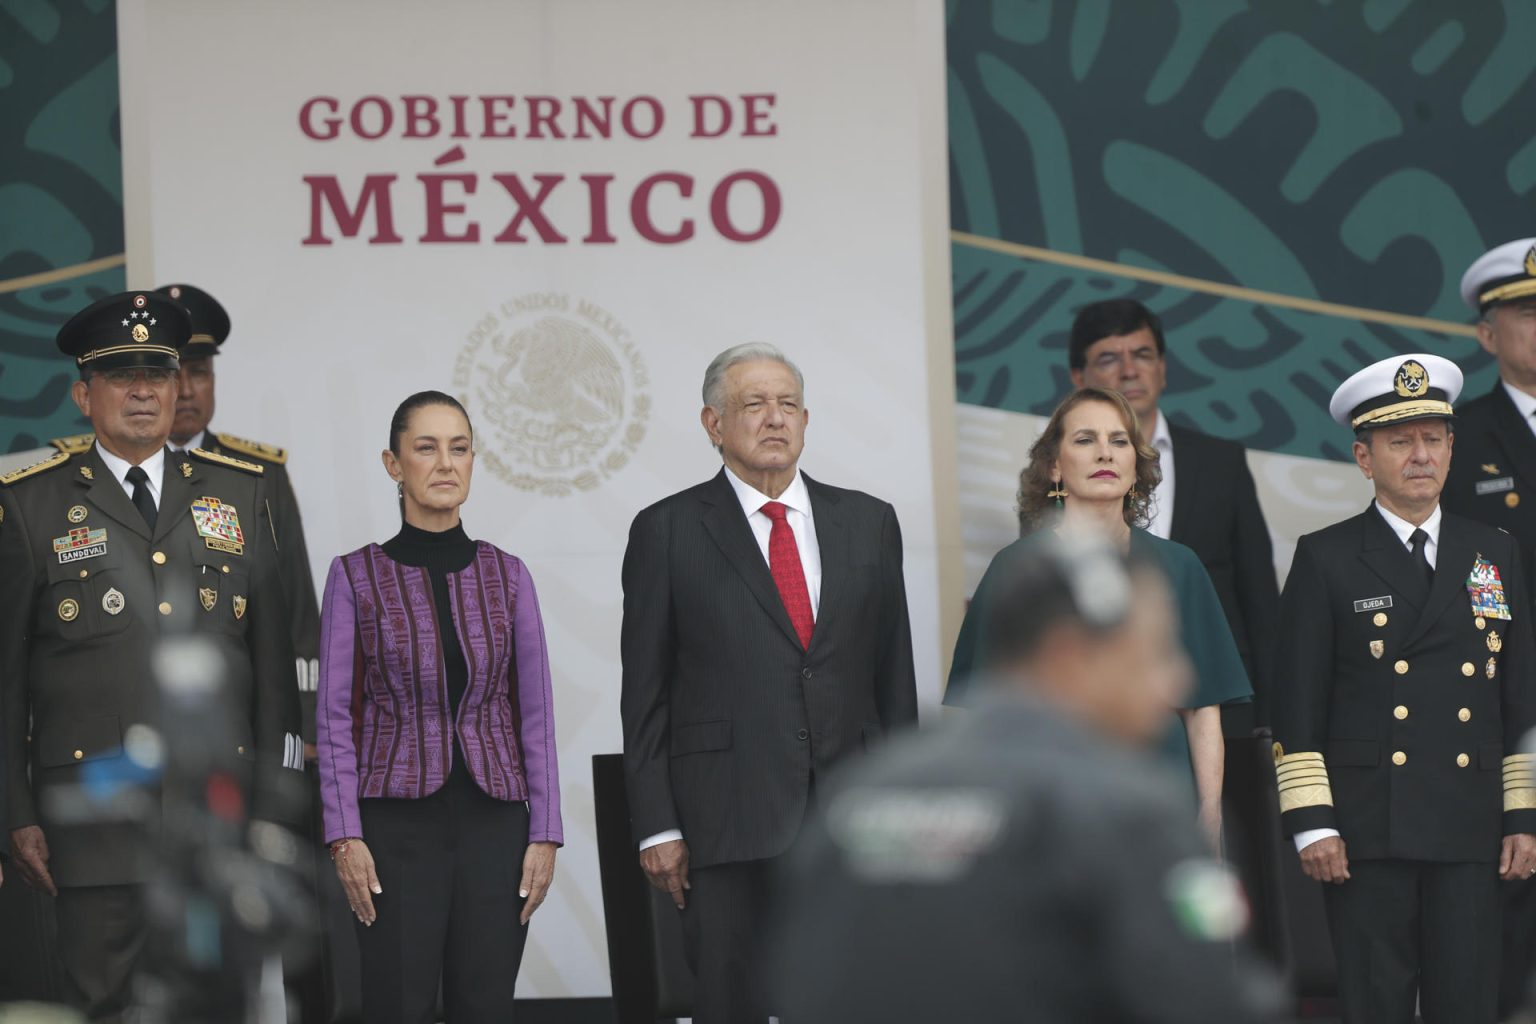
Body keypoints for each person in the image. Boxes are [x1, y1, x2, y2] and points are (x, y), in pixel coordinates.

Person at [767, 534, 1287, 1023]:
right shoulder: (1134, 814)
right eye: (1154, 651)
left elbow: (802, 987)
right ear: (1070, 655)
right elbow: (1210, 999)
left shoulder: (857, 799)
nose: (1177, 679)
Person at [0, 291, 304, 1021]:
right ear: (83, 394)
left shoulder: (242, 492)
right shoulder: (28, 506)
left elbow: (273, 671)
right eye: (120, 375)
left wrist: (272, 813)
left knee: (217, 1009)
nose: (143, 390)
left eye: (159, 375)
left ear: (179, 388)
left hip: (218, 829)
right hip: (94, 830)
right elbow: (6, 679)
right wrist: (14, 811)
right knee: (104, 1006)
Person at [620, 342, 918, 1023]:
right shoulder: (666, 530)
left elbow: (893, 682)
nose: (774, 419)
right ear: (713, 424)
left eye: (788, 405)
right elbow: (646, 693)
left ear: (807, 420)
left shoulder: (869, 523)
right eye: (753, 404)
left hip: (851, 821)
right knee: (732, 1002)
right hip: (724, 819)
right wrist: (656, 825)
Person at [1271, 352, 1536, 1024]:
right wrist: (1312, 823)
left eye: (1434, 438)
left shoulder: (1494, 551)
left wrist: (1522, 816)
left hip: (1471, 825)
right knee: (1376, 1006)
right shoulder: (1325, 556)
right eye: (1400, 441)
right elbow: (1295, 704)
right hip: (1367, 830)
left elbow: (1518, 695)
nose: (1421, 455)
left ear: (1451, 446)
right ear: (1365, 458)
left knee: (1469, 1005)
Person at [315, 390, 562, 1024]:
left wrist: (545, 834)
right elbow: (335, 718)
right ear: (393, 464)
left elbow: (534, 714)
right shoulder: (354, 577)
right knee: (398, 1006)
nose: (445, 463)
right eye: (426, 448)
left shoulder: (509, 576)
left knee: (485, 1007)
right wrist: (344, 835)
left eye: (459, 448)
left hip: (496, 826)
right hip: (393, 832)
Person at [945, 387, 1251, 851]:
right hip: (1044, 813)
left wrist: (1209, 816)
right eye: (1085, 439)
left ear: (1136, 465)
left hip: (1159, 805)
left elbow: (1202, 708)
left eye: (1119, 440)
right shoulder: (1016, 570)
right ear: (1054, 466)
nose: (1105, 452)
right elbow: (976, 708)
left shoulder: (1180, 565)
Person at [1068, 298, 1279, 730]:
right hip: (1104, 712)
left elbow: (1260, 600)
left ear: (1162, 368)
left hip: (1223, 706)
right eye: (1109, 358)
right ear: (1078, 379)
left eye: (1143, 355)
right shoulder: (1060, 472)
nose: (1130, 370)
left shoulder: (1222, 462)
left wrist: (1271, 717)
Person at [1443, 239, 1536, 1014]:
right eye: (1528, 313)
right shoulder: (1457, 438)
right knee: (1510, 886)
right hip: (1508, 696)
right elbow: (1463, 576)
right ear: (1486, 334)